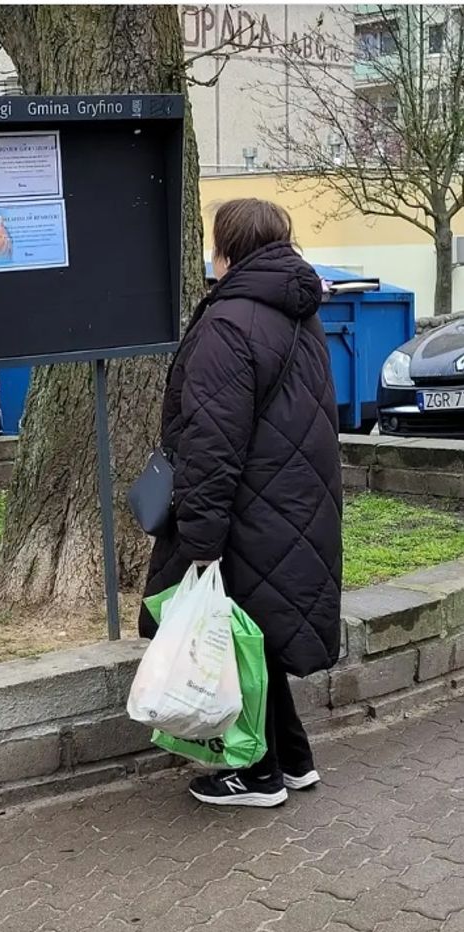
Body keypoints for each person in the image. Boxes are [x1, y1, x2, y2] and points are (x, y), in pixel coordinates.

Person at [140, 197, 343, 809]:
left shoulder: (228, 325)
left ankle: (255, 775)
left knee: (234, 632)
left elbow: (209, 442)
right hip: (295, 503)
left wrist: (200, 541)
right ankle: (294, 759)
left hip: (249, 508)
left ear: (224, 251)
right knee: (260, 632)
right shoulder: (299, 316)